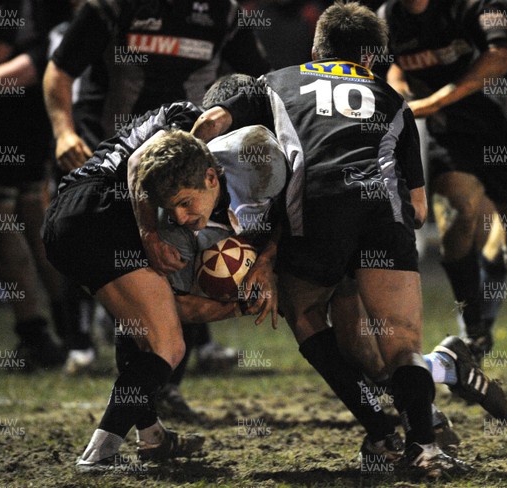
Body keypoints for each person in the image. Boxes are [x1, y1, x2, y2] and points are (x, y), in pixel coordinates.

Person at [191, 3, 478, 479]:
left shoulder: (276, 83)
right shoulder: (392, 98)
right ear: (372, 57)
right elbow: (421, 208)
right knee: (402, 343)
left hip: (316, 209)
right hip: (384, 213)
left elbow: (213, 122)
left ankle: (381, 430)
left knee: (303, 312)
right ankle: (424, 450)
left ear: (315, 48)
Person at [43, 0, 270, 380]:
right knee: (96, 237)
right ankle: (82, 341)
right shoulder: (114, 7)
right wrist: (63, 131)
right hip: (119, 153)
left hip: (184, 163)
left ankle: (162, 383)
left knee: (180, 258)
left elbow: (261, 79)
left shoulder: (223, 13)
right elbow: (59, 69)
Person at [380, 0, 507, 406]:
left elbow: (502, 56)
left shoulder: (477, 6)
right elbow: (398, 65)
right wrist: (400, 90)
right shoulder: (389, 17)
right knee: (456, 213)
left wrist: (437, 100)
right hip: (452, 138)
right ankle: (473, 334)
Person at [0, 0, 75, 369]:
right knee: (31, 215)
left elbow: (0, 48)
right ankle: (69, 329)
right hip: (32, 109)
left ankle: (37, 333)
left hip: (13, 114)